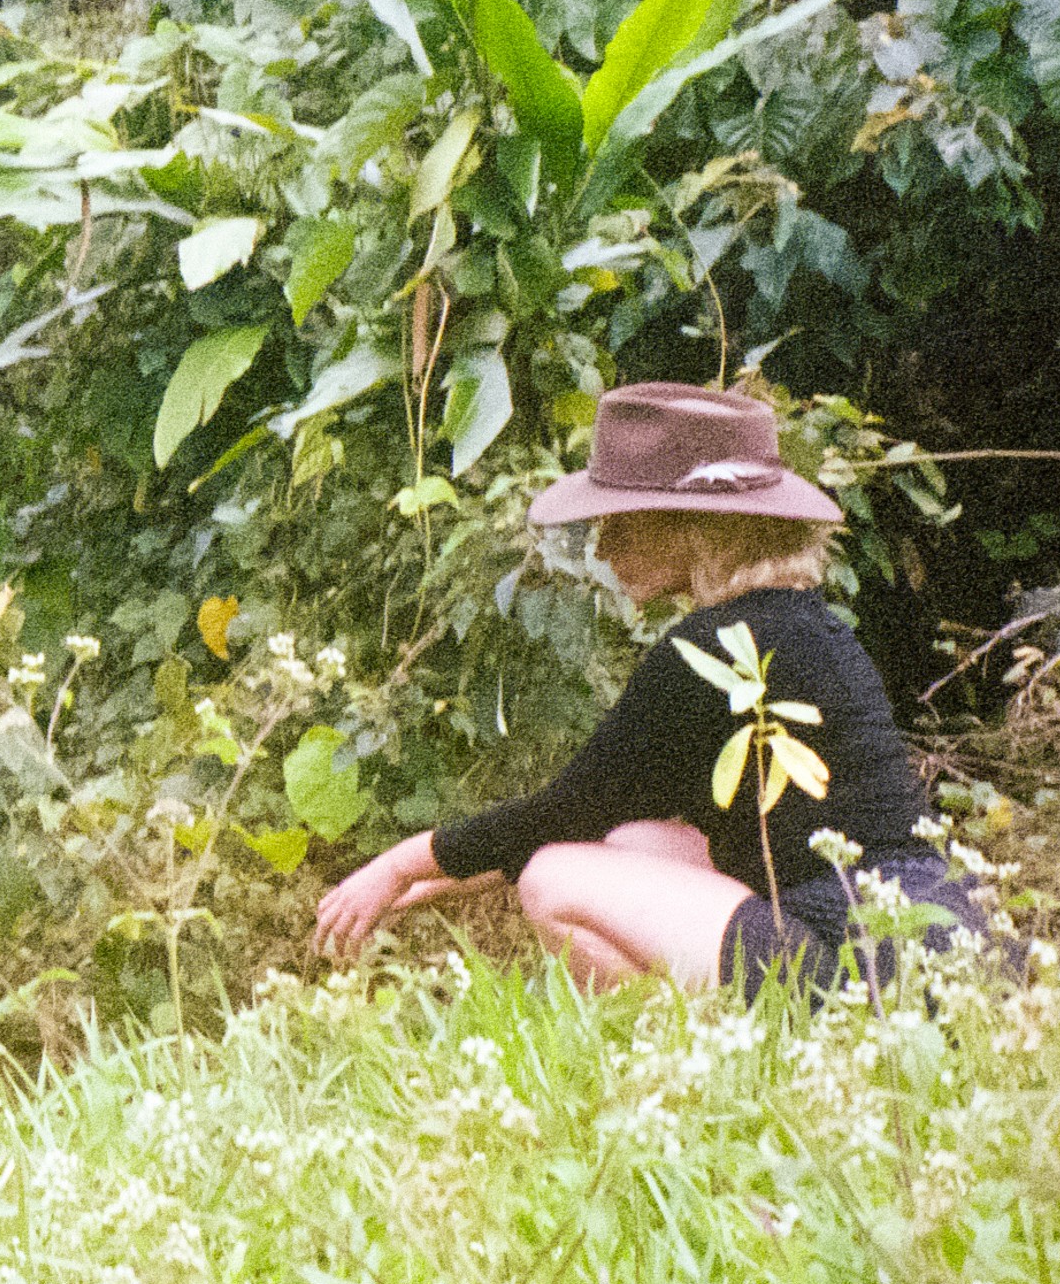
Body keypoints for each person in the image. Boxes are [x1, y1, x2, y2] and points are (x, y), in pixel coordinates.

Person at [315, 382, 990, 995]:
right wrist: (410, 888)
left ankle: (693, 1054)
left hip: (852, 958)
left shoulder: (708, 651)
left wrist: (398, 867)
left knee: (554, 878)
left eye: (624, 520)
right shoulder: (809, 627)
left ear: (695, 526)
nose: (602, 547)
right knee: (634, 840)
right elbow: (596, 815)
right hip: (935, 940)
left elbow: (558, 816)